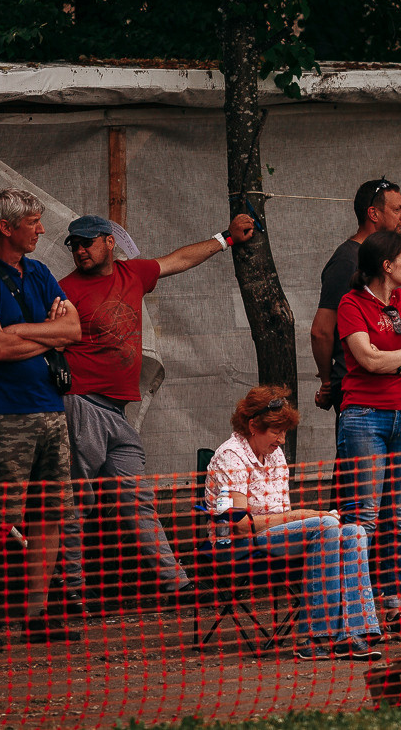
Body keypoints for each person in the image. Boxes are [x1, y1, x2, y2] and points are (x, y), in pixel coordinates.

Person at [58, 212, 255, 613]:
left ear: (109, 242)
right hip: (82, 402)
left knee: (137, 499)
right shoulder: (63, 289)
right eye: (74, 245)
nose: (80, 250)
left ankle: (175, 584)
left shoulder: (133, 274)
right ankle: (70, 592)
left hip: (116, 410)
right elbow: (48, 335)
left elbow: (178, 260)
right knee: (76, 500)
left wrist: (226, 238)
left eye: (87, 242)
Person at [0, 188, 82, 649]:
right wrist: (49, 337)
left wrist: (24, 332)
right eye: (32, 221)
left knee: (50, 515)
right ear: (6, 227)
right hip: (2, 414)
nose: (41, 230)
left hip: (50, 408)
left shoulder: (40, 272)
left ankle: (36, 616)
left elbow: (74, 329)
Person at [205, 386, 382, 661]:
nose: (282, 440)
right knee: (325, 525)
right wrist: (306, 515)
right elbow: (239, 525)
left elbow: (288, 519)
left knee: (354, 531)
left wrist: (308, 519)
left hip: (279, 538)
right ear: (253, 425)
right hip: (240, 545)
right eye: (276, 431)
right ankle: (313, 637)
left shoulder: (275, 454)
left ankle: (353, 632)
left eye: (285, 431)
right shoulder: (231, 456)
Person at [337, 231, 401, 642]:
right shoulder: (351, 303)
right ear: (386, 265)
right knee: (365, 517)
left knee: (400, 518)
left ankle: (397, 609)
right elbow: (366, 359)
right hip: (364, 415)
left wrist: (390, 363)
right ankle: (363, 613)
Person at [311, 178, 401, 416]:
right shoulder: (347, 261)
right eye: (397, 209)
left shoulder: (390, 261)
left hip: (393, 386)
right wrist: (327, 382)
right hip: (356, 391)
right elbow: (321, 331)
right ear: (373, 214)